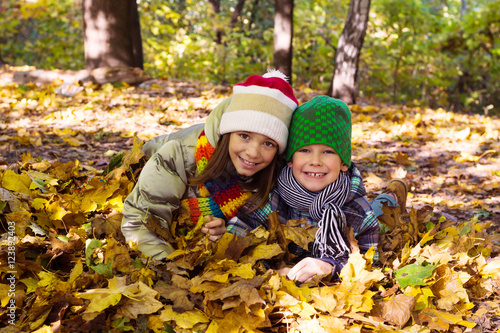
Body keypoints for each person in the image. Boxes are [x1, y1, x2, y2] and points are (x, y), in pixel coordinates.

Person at [227, 96, 408, 282]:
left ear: (344, 163)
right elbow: (240, 229)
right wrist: (267, 269)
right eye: (304, 150)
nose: (315, 161)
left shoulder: (359, 210)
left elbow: (368, 261)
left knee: (383, 221)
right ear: (290, 160)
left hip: (364, 214)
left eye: (328, 152)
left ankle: (391, 198)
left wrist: (331, 267)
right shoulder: (275, 195)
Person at [121, 70, 299, 260]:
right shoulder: (180, 154)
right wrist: (169, 268)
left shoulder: (276, 173)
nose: (253, 152)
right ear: (228, 132)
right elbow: (141, 219)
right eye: (244, 136)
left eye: (268, 143)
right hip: (143, 174)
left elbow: (258, 227)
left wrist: (228, 234)